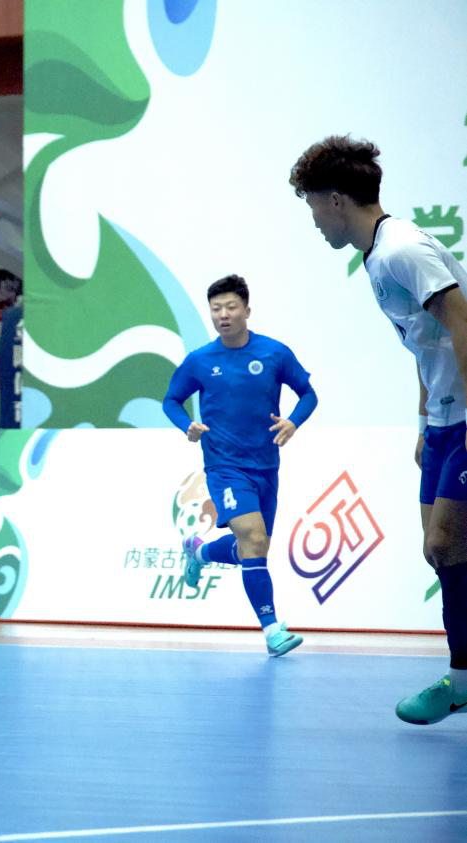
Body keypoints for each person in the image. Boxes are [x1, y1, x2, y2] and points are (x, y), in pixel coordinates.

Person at [290, 135, 467, 723]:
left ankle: (461, 680)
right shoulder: (375, 257)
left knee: (446, 542)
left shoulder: (401, 250)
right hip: (443, 419)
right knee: (442, 552)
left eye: (313, 205)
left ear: (337, 200)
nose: (314, 220)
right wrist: (425, 420)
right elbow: (426, 344)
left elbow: (463, 323)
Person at [164, 275, 318, 657]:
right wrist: (188, 426)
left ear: (247, 310)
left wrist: (293, 422)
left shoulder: (274, 353)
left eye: (231, 307)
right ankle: (272, 630)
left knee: (254, 546)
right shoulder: (200, 360)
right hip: (224, 467)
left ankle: (198, 552)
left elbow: (308, 394)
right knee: (252, 537)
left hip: (265, 466)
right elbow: (171, 400)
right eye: (216, 309)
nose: (223, 315)